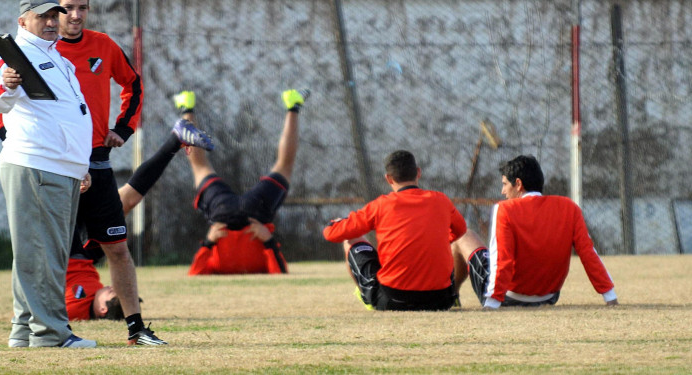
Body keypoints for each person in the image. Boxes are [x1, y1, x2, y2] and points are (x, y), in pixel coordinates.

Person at [0, 0, 95, 348]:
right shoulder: (16, 55)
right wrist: (8, 85)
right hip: (36, 165)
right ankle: (50, 335)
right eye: (42, 16)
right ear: (22, 20)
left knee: (39, 252)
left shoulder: (57, 57)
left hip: (58, 168)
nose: (50, 22)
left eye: (53, 15)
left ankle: (24, 330)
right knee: (44, 253)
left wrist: (81, 164)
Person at [55, 0, 165, 345]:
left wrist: (123, 128)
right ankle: (47, 329)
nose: (75, 15)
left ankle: (136, 329)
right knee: (50, 251)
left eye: (82, 8)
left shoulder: (102, 45)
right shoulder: (38, 51)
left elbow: (133, 85)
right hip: (55, 164)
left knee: (117, 248)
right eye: (67, 7)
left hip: (98, 163)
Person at [66, 119, 212, 321]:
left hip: (64, 253)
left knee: (71, 197)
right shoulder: (98, 300)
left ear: (102, 310)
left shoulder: (73, 312)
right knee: (129, 200)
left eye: (112, 292)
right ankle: (176, 139)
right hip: (88, 256)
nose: (111, 286)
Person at [455, 155, 618, 309]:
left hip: (509, 297)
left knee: (463, 235)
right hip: (549, 296)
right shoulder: (569, 208)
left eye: (504, 184)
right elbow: (589, 254)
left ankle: (450, 296)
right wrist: (610, 296)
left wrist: (491, 303)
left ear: (518, 184)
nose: (502, 191)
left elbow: (502, 259)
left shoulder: (505, 209)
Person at [323, 150, 467, 311]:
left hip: (393, 299)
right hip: (441, 300)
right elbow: (460, 229)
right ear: (418, 173)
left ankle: (368, 297)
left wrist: (333, 223)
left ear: (389, 178)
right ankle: (454, 294)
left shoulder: (381, 205)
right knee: (454, 246)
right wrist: (437, 242)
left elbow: (333, 234)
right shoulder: (441, 200)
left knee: (351, 240)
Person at [184, 89, 308, 275]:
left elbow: (194, 273)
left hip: (234, 220)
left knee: (284, 166)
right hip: (245, 220)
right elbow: (280, 273)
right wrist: (267, 241)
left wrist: (210, 242)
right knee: (200, 167)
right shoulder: (232, 264)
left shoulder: (218, 267)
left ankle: (294, 106)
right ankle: (187, 106)